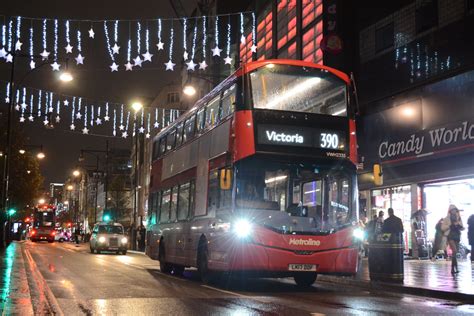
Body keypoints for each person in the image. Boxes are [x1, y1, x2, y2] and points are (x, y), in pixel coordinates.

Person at [442, 205, 464, 275]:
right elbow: (443, 228)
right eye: (453, 210)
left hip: (457, 236)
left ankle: (455, 268)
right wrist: (450, 225)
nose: (454, 211)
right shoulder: (447, 218)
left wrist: (460, 226)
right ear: (450, 211)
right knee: (454, 250)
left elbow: (462, 226)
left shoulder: (458, 218)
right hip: (450, 235)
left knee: (455, 252)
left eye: (455, 210)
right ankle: (453, 268)